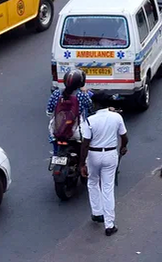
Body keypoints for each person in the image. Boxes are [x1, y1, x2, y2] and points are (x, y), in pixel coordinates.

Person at [81, 105, 127, 236]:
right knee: (107, 188)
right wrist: (123, 147)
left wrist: (82, 164)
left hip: (93, 155)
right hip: (110, 154)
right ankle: (110, 224)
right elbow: (124, 137)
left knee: (92, 182)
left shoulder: (90, 120)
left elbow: (85, 144)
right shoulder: (116, 117)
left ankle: (97, 213)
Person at [46, 69, 92, 153]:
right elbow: (89, 106)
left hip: (56, 131)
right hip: (76, 132)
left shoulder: (56, 93)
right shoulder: (82, 95)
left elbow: (49, 112)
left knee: (55, 147)